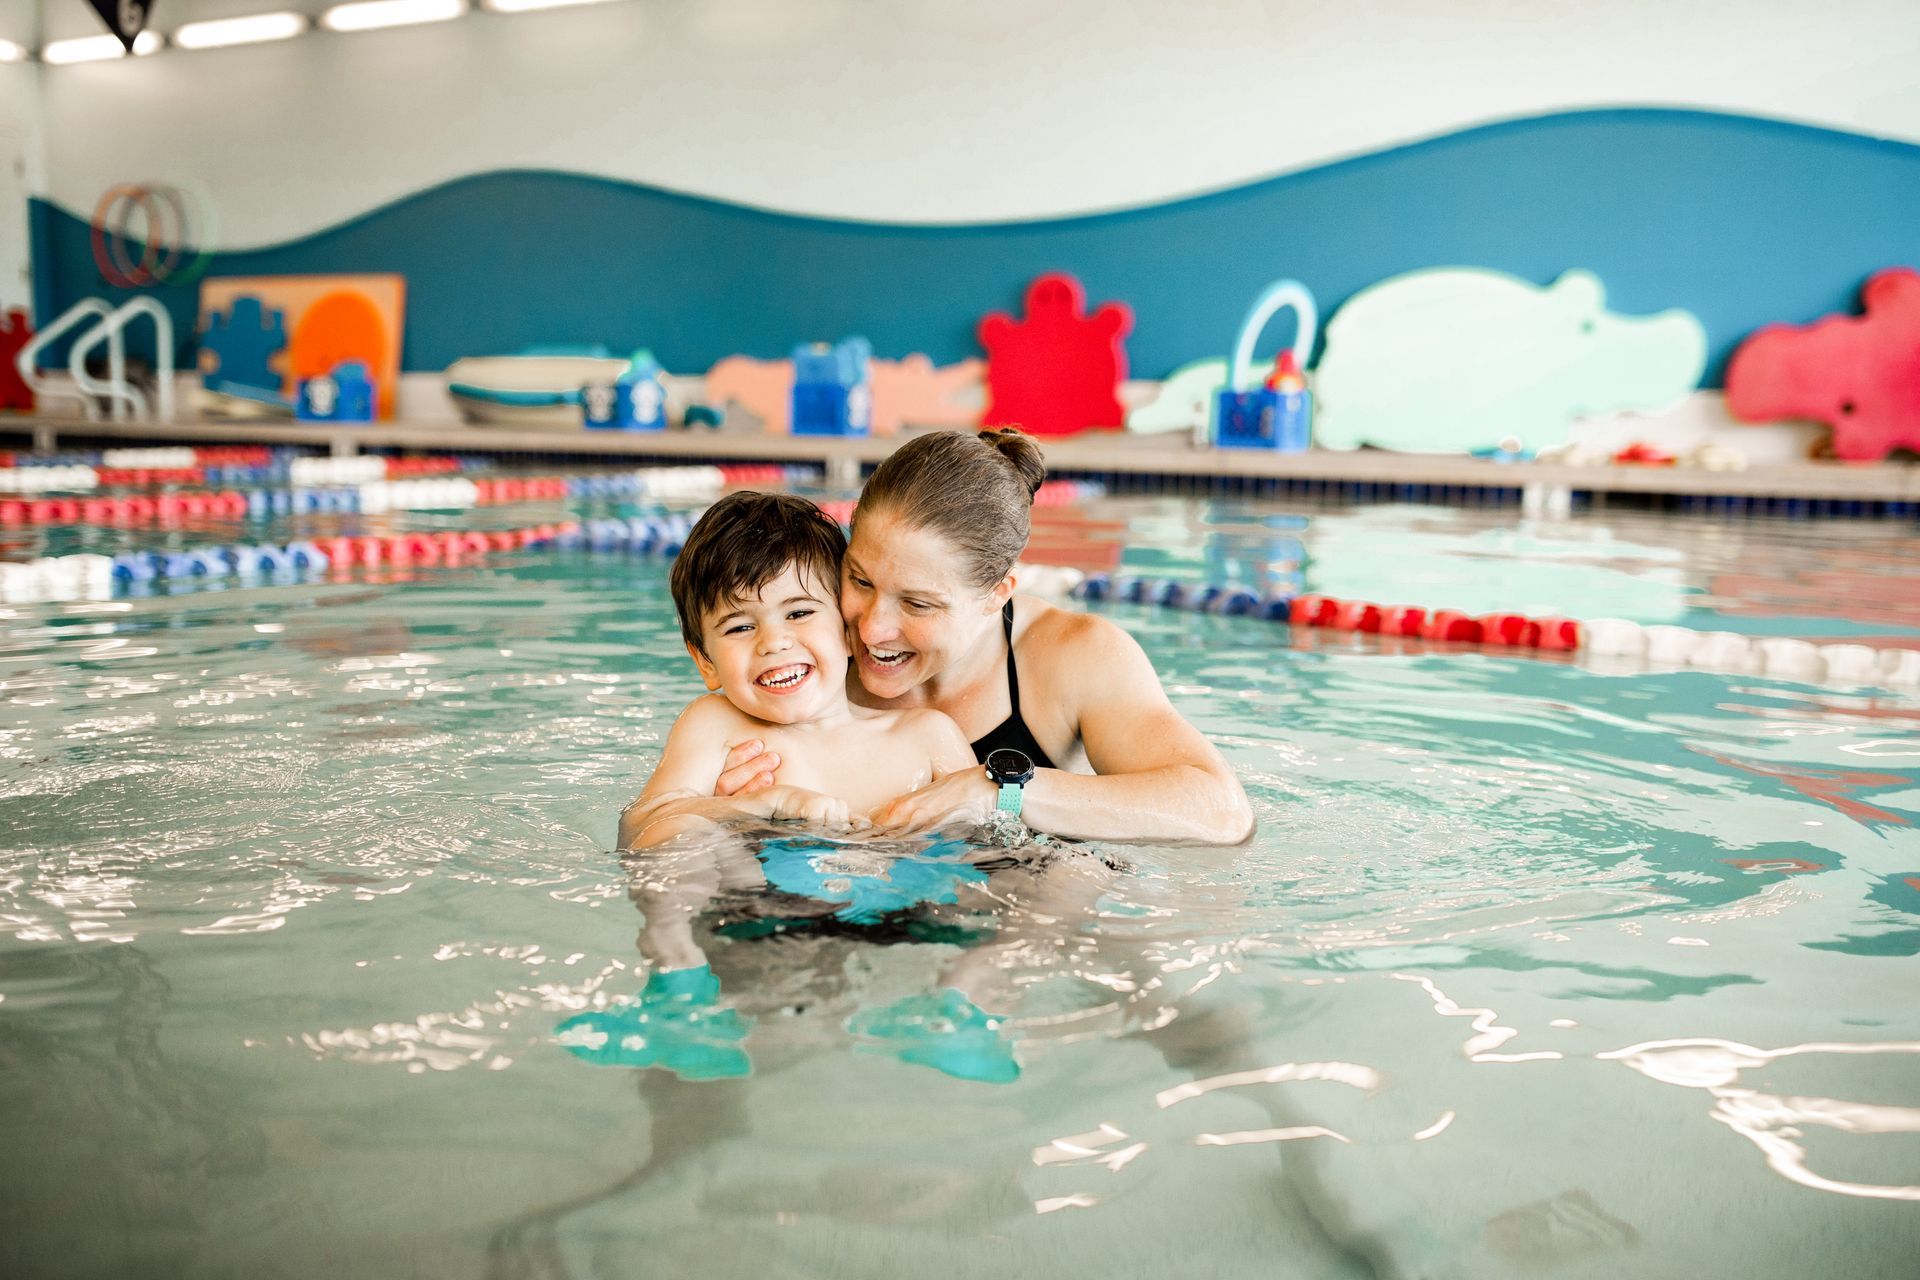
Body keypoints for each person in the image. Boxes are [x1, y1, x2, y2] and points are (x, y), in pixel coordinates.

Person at [714, 428, 1255, 845]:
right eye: (859, 579)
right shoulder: (804, 645)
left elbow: (1221, 810)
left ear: (997, 593)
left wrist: (1000, 792)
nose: (871, 627)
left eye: (918, 602)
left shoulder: (1070, 656)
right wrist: (728, 809)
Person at [617, 489, 976, 851]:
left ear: (850, 630)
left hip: (909, 896)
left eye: (799, 613)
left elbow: (992, 837)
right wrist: (757, 807)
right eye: (740, 627)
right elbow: (641, 827)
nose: (773, 642)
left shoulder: (926, 736)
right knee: (682, 832)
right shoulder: (716, 724)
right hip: (757, 899)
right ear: (705, 662)